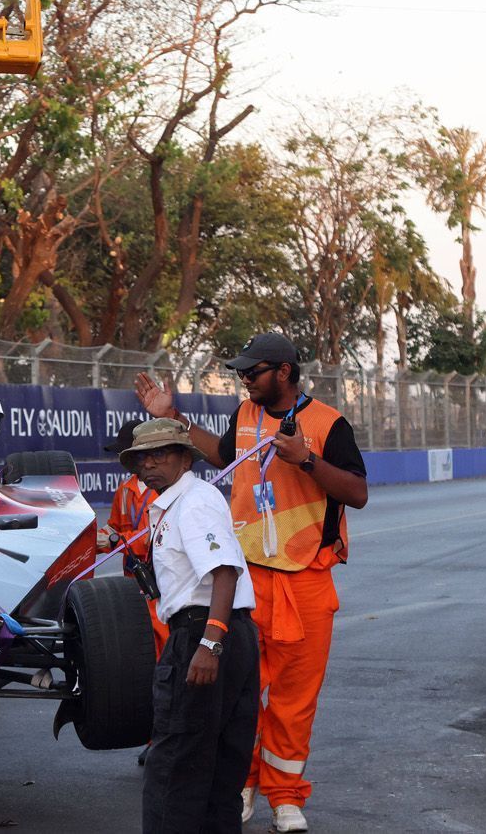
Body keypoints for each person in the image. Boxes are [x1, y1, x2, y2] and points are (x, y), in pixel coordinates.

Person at [136, 332, 368, 834]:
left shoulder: (328, 423)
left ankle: (286, 797)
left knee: (294, 696)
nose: (244, 379)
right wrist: (173, 418)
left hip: (306, 578)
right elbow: (223, 456)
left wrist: (305, 459)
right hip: (245, 579)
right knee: (239, 693)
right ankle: (240, 785)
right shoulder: (244, 415)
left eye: (253, 371)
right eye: (241, 372)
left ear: (283, 371)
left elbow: (357, 492)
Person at [124, 418, 259, 834]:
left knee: (174, 767)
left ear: (186, 457)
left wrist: (210, 644)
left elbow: (224, 572)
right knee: (217, 767)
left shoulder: (194, 501)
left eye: (160, 453)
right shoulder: (172, 504)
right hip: (223, 632)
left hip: (205, 633)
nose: (148, 464)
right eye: (142, 457)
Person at [102, 419, 169, 654]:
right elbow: (113, 528)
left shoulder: (165, 488)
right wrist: (88, 540)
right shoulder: (124, 490)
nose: (121, 461)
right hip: (133, 585)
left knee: (163, 641)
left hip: (160, 582)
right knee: (137, 646)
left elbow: (156, 536)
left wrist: (115, 542)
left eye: (124, 454)